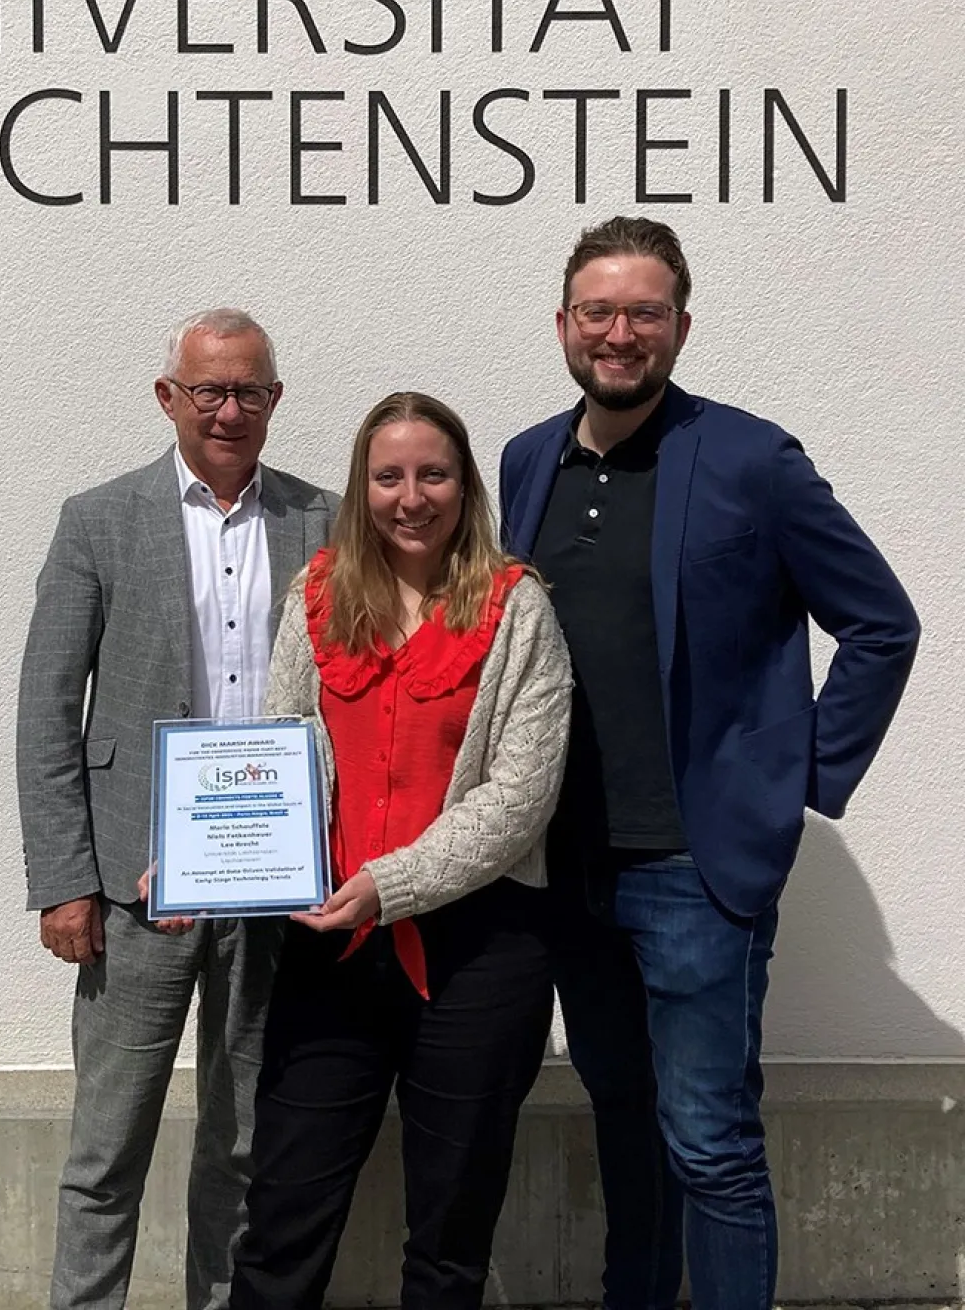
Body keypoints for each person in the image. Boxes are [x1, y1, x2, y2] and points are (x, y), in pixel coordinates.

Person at [498, 217, 921, 1310]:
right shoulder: (526, 460)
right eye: (599, 311)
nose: (620, 333)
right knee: (622, 1127)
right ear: (563, 324)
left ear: (682, 326)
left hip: (693, 870)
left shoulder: (753, 459)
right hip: (569, 869)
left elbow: (882, 624)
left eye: (645, 312)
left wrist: (804, 777)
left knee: (710, 1143)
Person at [16, 308, 338, 1310]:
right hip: (130, 889)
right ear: (171, 398)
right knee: (107, 1149)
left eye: (250, 391)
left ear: (275, 402)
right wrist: (65, 881)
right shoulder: (99, 521)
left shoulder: (324, 522)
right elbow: (47, 708)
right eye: (210, 390)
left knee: (243, 1147)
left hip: (276, 888)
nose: (230, 410)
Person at [228, 392, 573, 1310]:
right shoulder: (318, 596)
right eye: (389, 476)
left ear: (464, 488)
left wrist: (396, 883)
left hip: (477, 955)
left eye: (433, 474)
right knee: (282, 1220)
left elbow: (520, 797)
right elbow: (279, 749)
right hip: (328, 947)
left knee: (450, 1238)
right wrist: (207, 855)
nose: (410, 496)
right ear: (361, 487)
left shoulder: (516, 607)